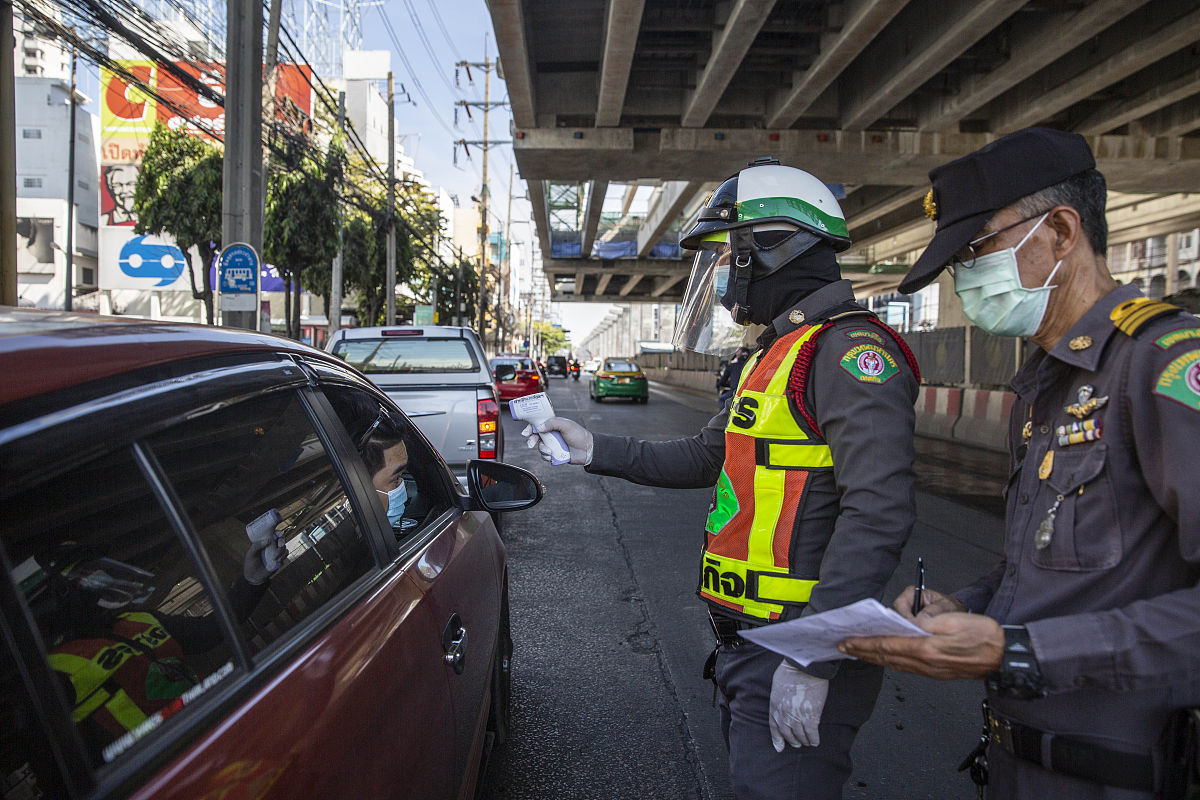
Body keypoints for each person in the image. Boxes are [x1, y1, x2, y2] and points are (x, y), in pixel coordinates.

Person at [523, 157, 921, 799]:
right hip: (750, 642)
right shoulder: (775, 355)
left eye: (727, 256)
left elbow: (879, 512)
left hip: (795, 643)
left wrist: (813, 654)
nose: (720, 277)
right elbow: (706, 458)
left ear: (771, 250)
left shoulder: (848, 355)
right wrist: (593, 446)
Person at [839, 128, 1200, 799]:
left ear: (1061, 232)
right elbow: (1043, 567)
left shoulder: (1161, 365)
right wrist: (965, 607)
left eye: (976, 251)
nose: (966, 278)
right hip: (1016, 768)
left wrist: (1023, 651)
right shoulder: (1044, 387)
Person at [717, 346, 751, 411]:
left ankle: (725, 417)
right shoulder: (752, 365)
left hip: (736, 392)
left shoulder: (732, 366)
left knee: (722, 398)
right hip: (749, 392)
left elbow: (723, 380)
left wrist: (719, 384)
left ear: (738, 356)